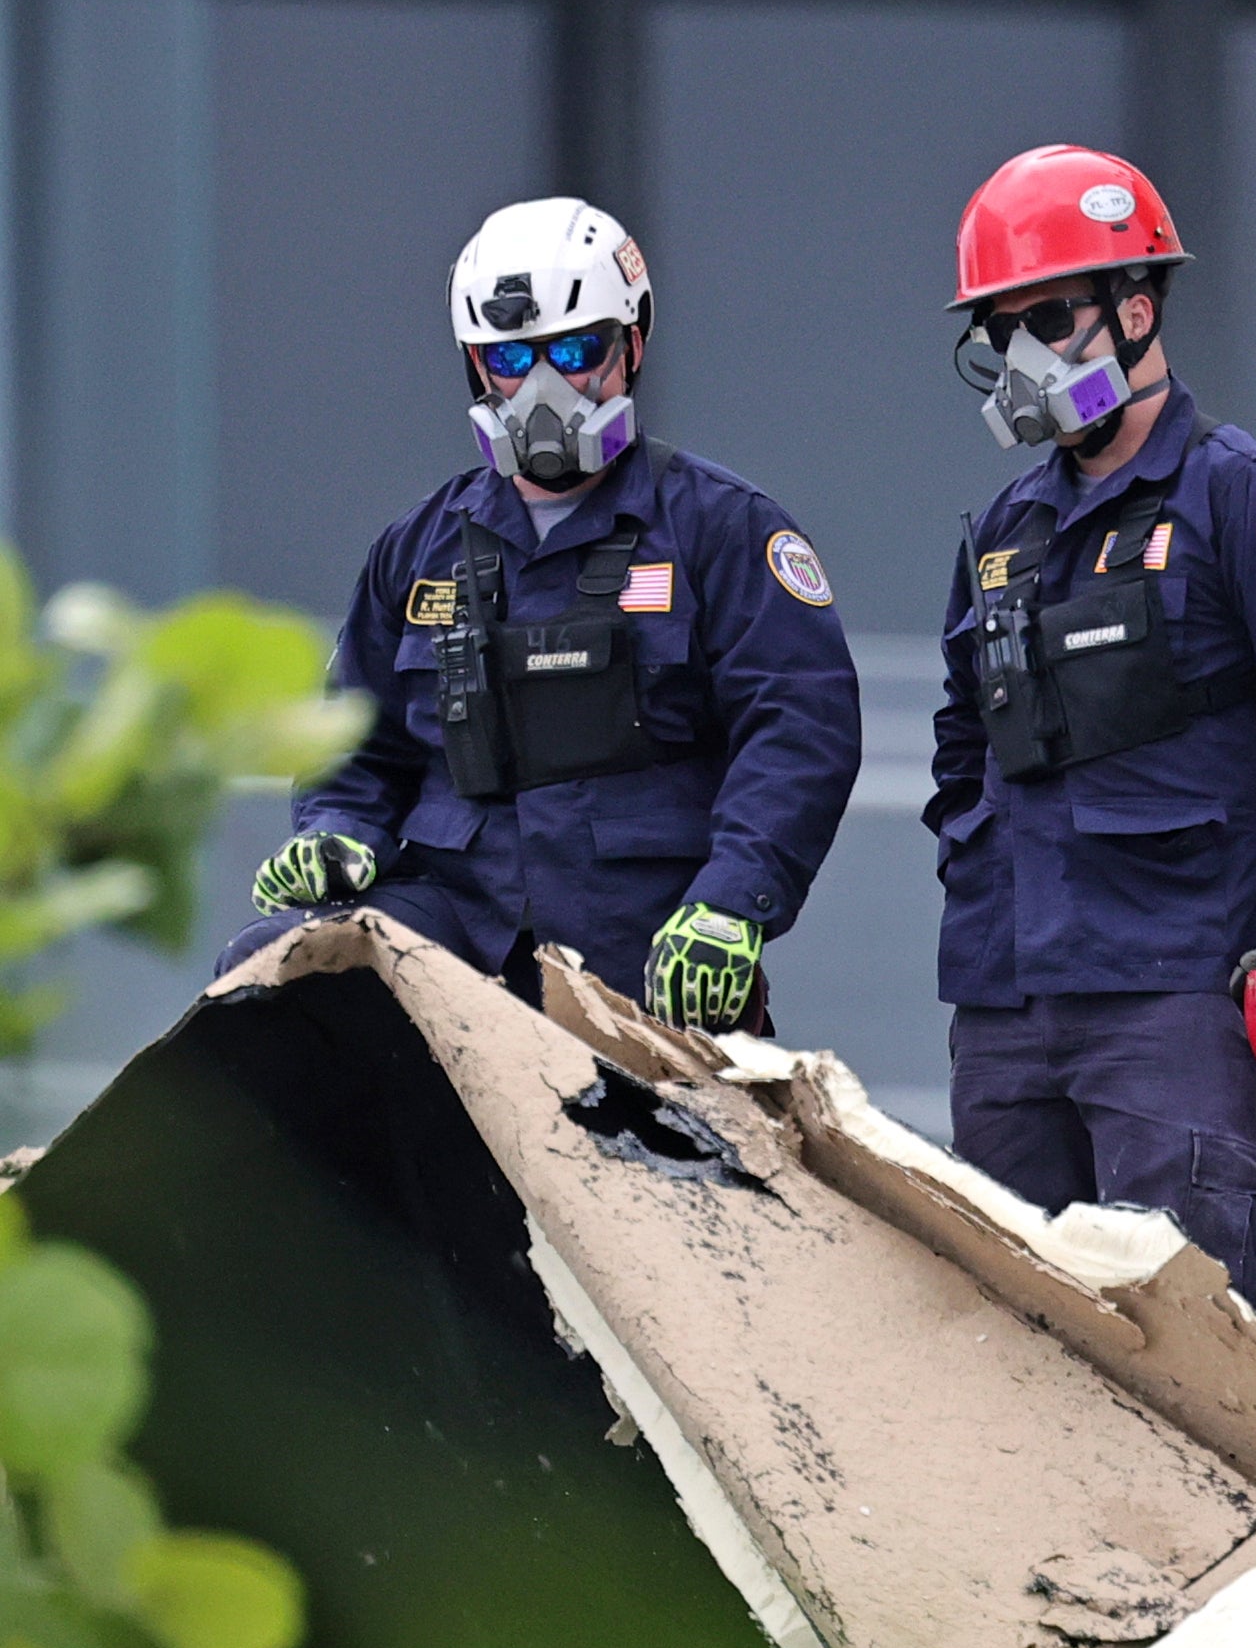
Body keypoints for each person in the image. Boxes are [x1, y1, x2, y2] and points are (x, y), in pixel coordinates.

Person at [926, 146, 1256, 1314]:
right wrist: (970, 859)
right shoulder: (1008, 526)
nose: (1023, 358)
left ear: (1135, 309)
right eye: (1001, 331)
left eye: (1048, 318)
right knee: (1014, 1356)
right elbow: (963, 736)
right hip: (1006, 1010)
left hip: (1176, 1006)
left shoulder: (1247, 500)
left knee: (1197, 1353)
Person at [226, 198, 861, 1029]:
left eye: (574, 349)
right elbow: (354, 741)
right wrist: (340, 830)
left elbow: (799, 728)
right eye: (511, 357)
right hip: (456, 928)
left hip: (646, 943)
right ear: (475, 365)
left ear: (630, 345)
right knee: (270, 966)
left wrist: (732, 904)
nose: (543, 386)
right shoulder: (418, 549)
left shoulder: (722, 528)